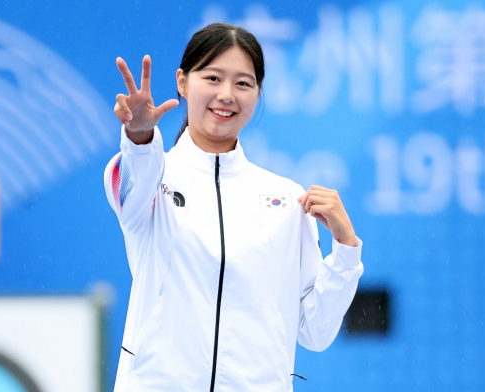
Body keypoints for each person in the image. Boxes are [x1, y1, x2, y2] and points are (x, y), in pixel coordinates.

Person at [104, 23, 364, 392]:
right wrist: (139, 136)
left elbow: (315, 331)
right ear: (182, 82)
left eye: (243, 83)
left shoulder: (287, 200)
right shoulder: (149, 179)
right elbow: (131, 180)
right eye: (212, 77)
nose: (227, 95)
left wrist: (346, 250)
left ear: (258, 93)